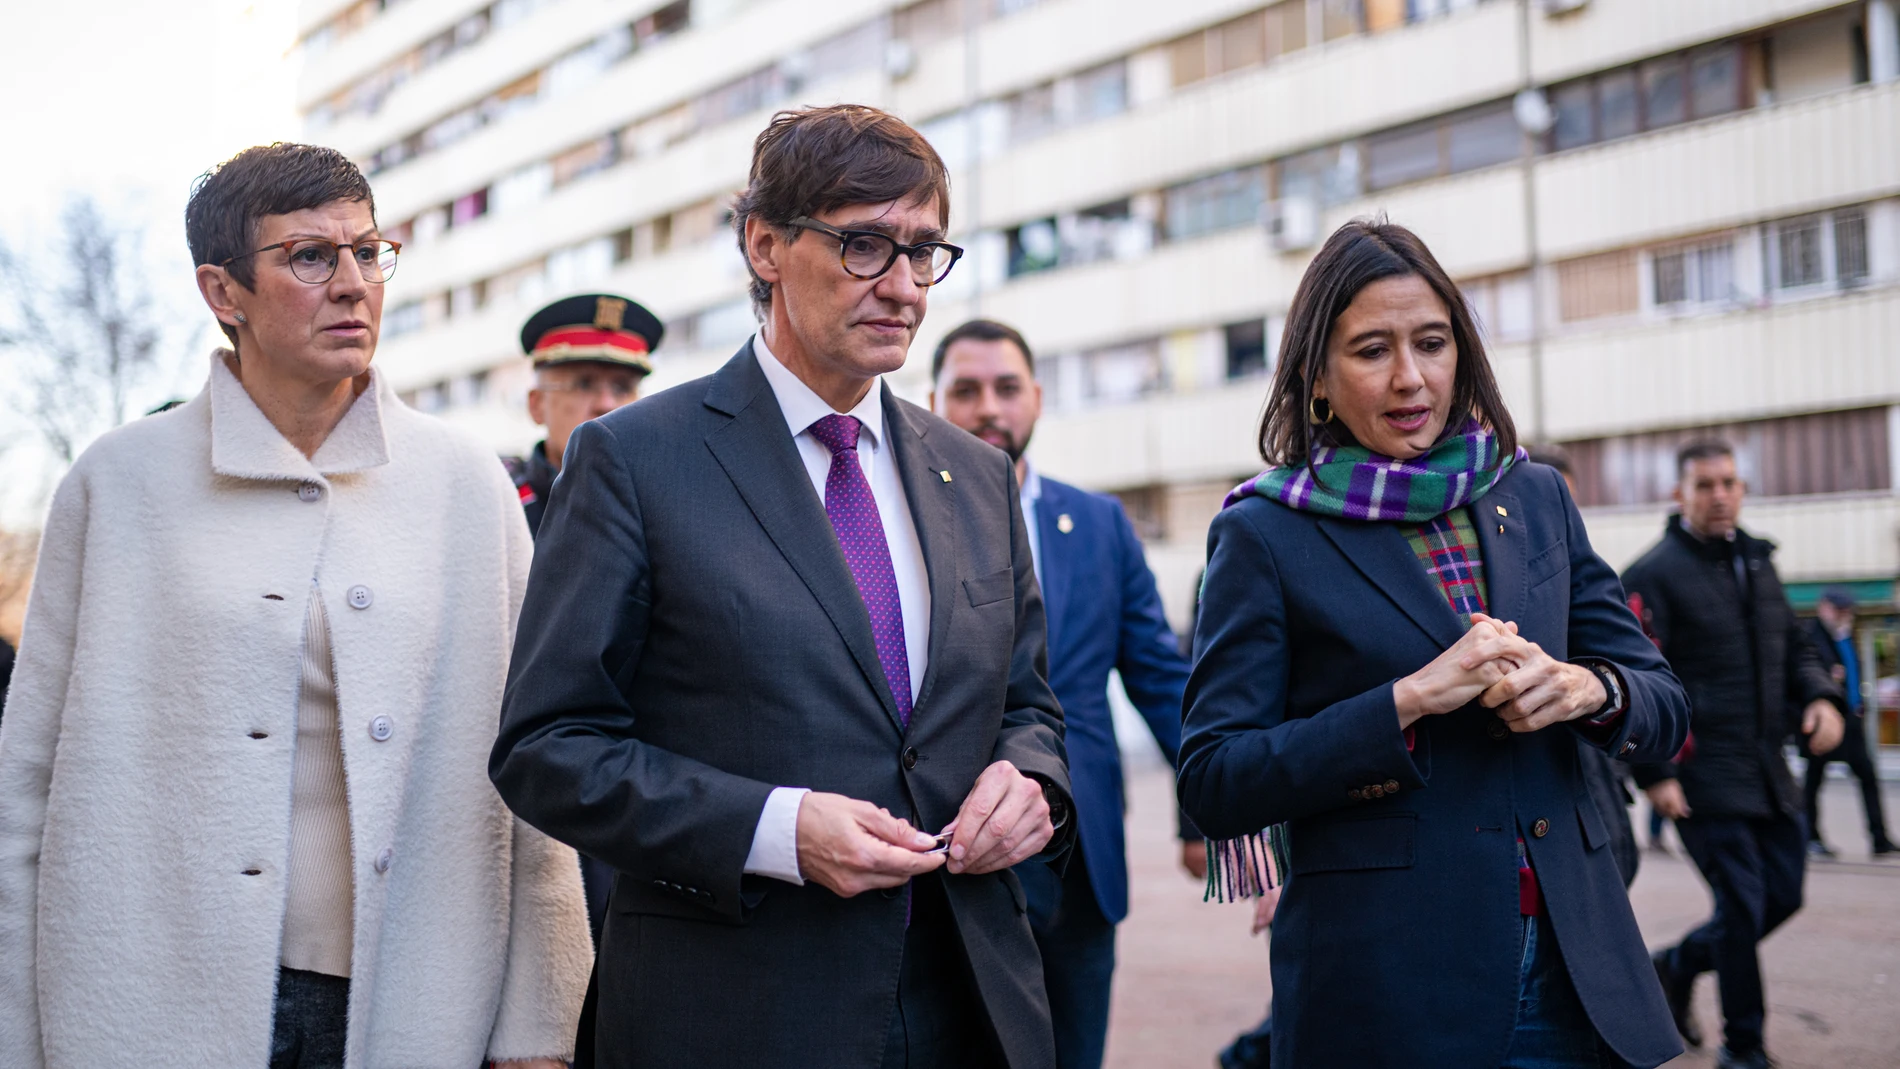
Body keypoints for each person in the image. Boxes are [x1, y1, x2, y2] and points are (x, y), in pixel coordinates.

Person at [489, 104, 1072, 1069]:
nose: (903, 286)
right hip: (739, 1012)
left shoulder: (974, 473)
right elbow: (547, 748)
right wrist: (774, 829)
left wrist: (1033, 782)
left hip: (971, 1001)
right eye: (864, 245)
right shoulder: (635, 460)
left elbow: (1027, 707)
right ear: (765, 244)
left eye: (924, 251)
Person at [0, 143, 591, 1069]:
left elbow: (534, 767)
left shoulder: (465, 483)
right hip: (151, 1005)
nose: (353, 283)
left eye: (369, 251)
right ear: (222, 291)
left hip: (413, 1004)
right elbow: (26, 785)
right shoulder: (117, 484)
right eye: (310, 256)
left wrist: (539, 1027)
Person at [1176, 219, 1690, 1069]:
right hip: (1387, 985)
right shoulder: (1265, 531)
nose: (1410, 377)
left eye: (1431, 342)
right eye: (1372, 349)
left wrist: (1585, 689)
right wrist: (1404, 704)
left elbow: (1663, 701)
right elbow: (1215, 777)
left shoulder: (1533, 493)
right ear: (1317, 378)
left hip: (1576, 967)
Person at [930, 318, 1200, 1069]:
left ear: (1038, 398)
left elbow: (1160, 677)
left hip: (1081, 857)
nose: (989, 407)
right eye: (966, 390)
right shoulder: (906, 523)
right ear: (933, 402)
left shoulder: (1102, 524)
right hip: (953, 853)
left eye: (1007, 387)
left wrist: (1212, 806)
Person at [1629, 439, 1847, 1069]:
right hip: (1700, 772)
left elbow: (1795, 648)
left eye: (1728, 483)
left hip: (1767, 769)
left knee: (1784, 895)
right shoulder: (1651, 574)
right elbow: (1639, 672)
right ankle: (1742, 1046)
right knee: (1743, 907)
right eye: (1705, 485)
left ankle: (1676, 964)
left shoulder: (1758, 562)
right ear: (1680, 494)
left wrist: (1822, 697)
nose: (1719, 495)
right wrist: (1655, 772)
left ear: (1742, 489)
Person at [1527, 444, 1642, 888]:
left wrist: (1599, 689)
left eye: (1567, 503)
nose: (1560, 517)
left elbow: (1651, 683)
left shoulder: (1588, 577)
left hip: (1597, 786)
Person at [504, 293, 662, 537]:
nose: (606, 404)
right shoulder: (503, 504)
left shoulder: (664, 505)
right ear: (537, 405)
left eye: (622, 388)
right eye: (583, 385)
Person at [1802, 587, 1894, 858]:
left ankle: (1879, 838)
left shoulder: (1845, 637)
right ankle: (1810, 837)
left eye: (1847, 610)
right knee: (1813, 781)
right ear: (1824, 607)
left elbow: (1854, 675)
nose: (1844, 614)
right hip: (1823, 721)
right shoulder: (1811, 637)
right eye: (1839, 609)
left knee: (1867, 776)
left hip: (1851, 721)